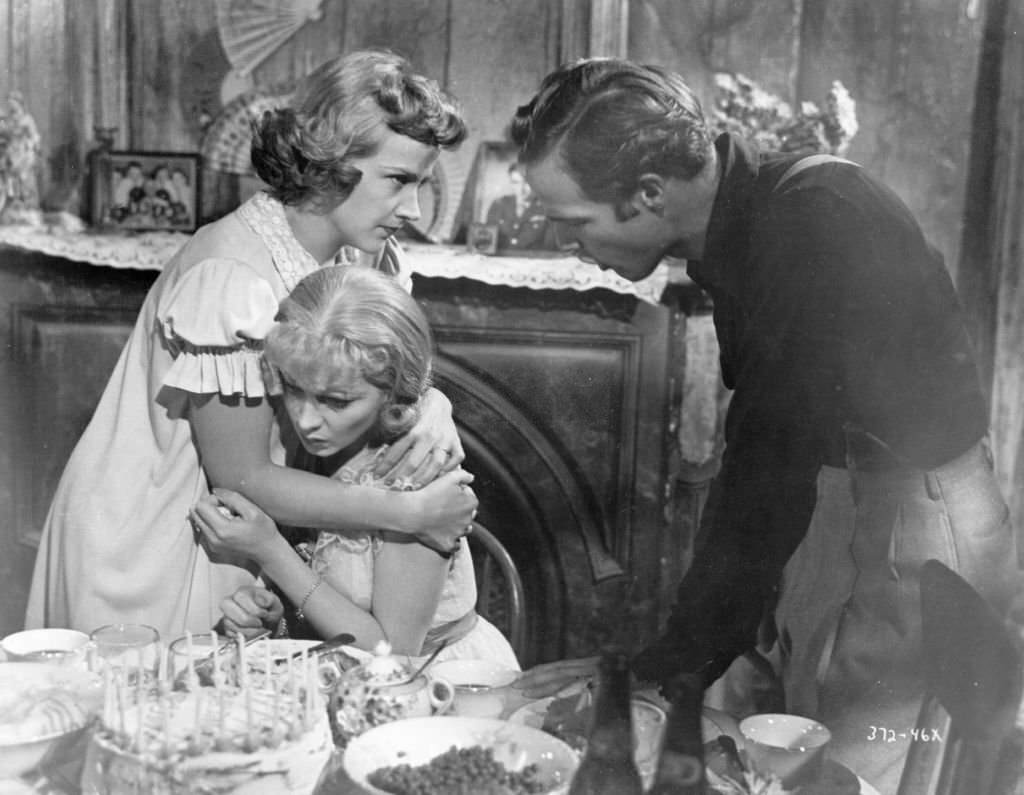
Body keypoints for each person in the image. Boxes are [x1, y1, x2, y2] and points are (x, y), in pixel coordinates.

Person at [508, 58, 1018, 790]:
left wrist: (676, 657)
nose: (571, 248)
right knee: (784, 752)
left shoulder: (810, 218)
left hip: (921, 517)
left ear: (647, 195)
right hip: (850, 497)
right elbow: (770, 461)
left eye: (573, 224)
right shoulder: (754, 214)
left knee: (860, 769)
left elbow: (767, 477)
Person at [25, 50, 478, 642]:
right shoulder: (233, 276)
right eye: (398, 180)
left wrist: (432, 405)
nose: (414, 209)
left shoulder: (360, 253)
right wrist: (409, 513)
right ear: (331, 161)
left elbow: (384, 368)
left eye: (420, 182)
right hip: (158, 531)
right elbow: (242, 475)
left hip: (247, 522)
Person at [190, 265, 519, 668]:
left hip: (434, 682)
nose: (306, 420)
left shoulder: (413, 477)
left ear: (393, 393)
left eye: (337, 401)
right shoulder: (318, 447)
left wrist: (271, 551)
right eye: (294, 389)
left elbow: (392, 656)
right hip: (342, 670)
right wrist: (272, 620)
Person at [484, 161, 556, 251]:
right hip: (500, 262)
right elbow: (487, 244)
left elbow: (550, 249)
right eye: (516, 182)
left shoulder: (548, 210)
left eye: (526, 182)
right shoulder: (498, 205)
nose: (521, 189)